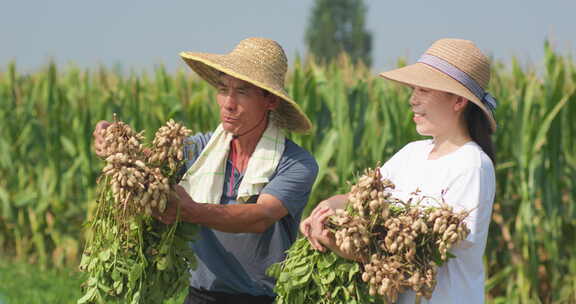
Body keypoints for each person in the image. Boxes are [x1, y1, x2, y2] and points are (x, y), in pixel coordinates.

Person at [93, 37, 318, 304]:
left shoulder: (295, 163)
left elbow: (260, 216)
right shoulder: (201, 150)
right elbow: (152, 161)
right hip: (200, 296)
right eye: (223, 89)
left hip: (261, 298)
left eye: (243, 92)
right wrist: (116, 140)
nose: (228, 103)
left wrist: (191, 211)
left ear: (269, 100)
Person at [301, 38, 497, 304]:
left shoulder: (472, 165)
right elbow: (356, 199)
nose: (412, 100)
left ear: (458, 101)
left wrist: (348, 250)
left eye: (423, 90)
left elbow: (423, 258)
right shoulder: (412, 153)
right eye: (413, 90)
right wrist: (324, 210)